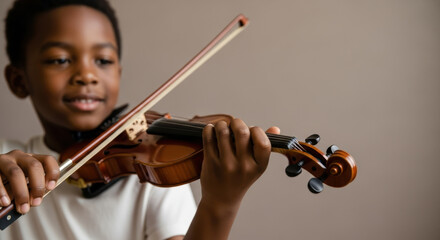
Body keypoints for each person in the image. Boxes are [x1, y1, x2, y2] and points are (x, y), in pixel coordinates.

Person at [0, 0, 279, 239]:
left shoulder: (152, 173)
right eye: (60, 60)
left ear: (119, 73)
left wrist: (221, 204)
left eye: (103, 61)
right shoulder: (5, 163)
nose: (87, 75)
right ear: (18, 80)